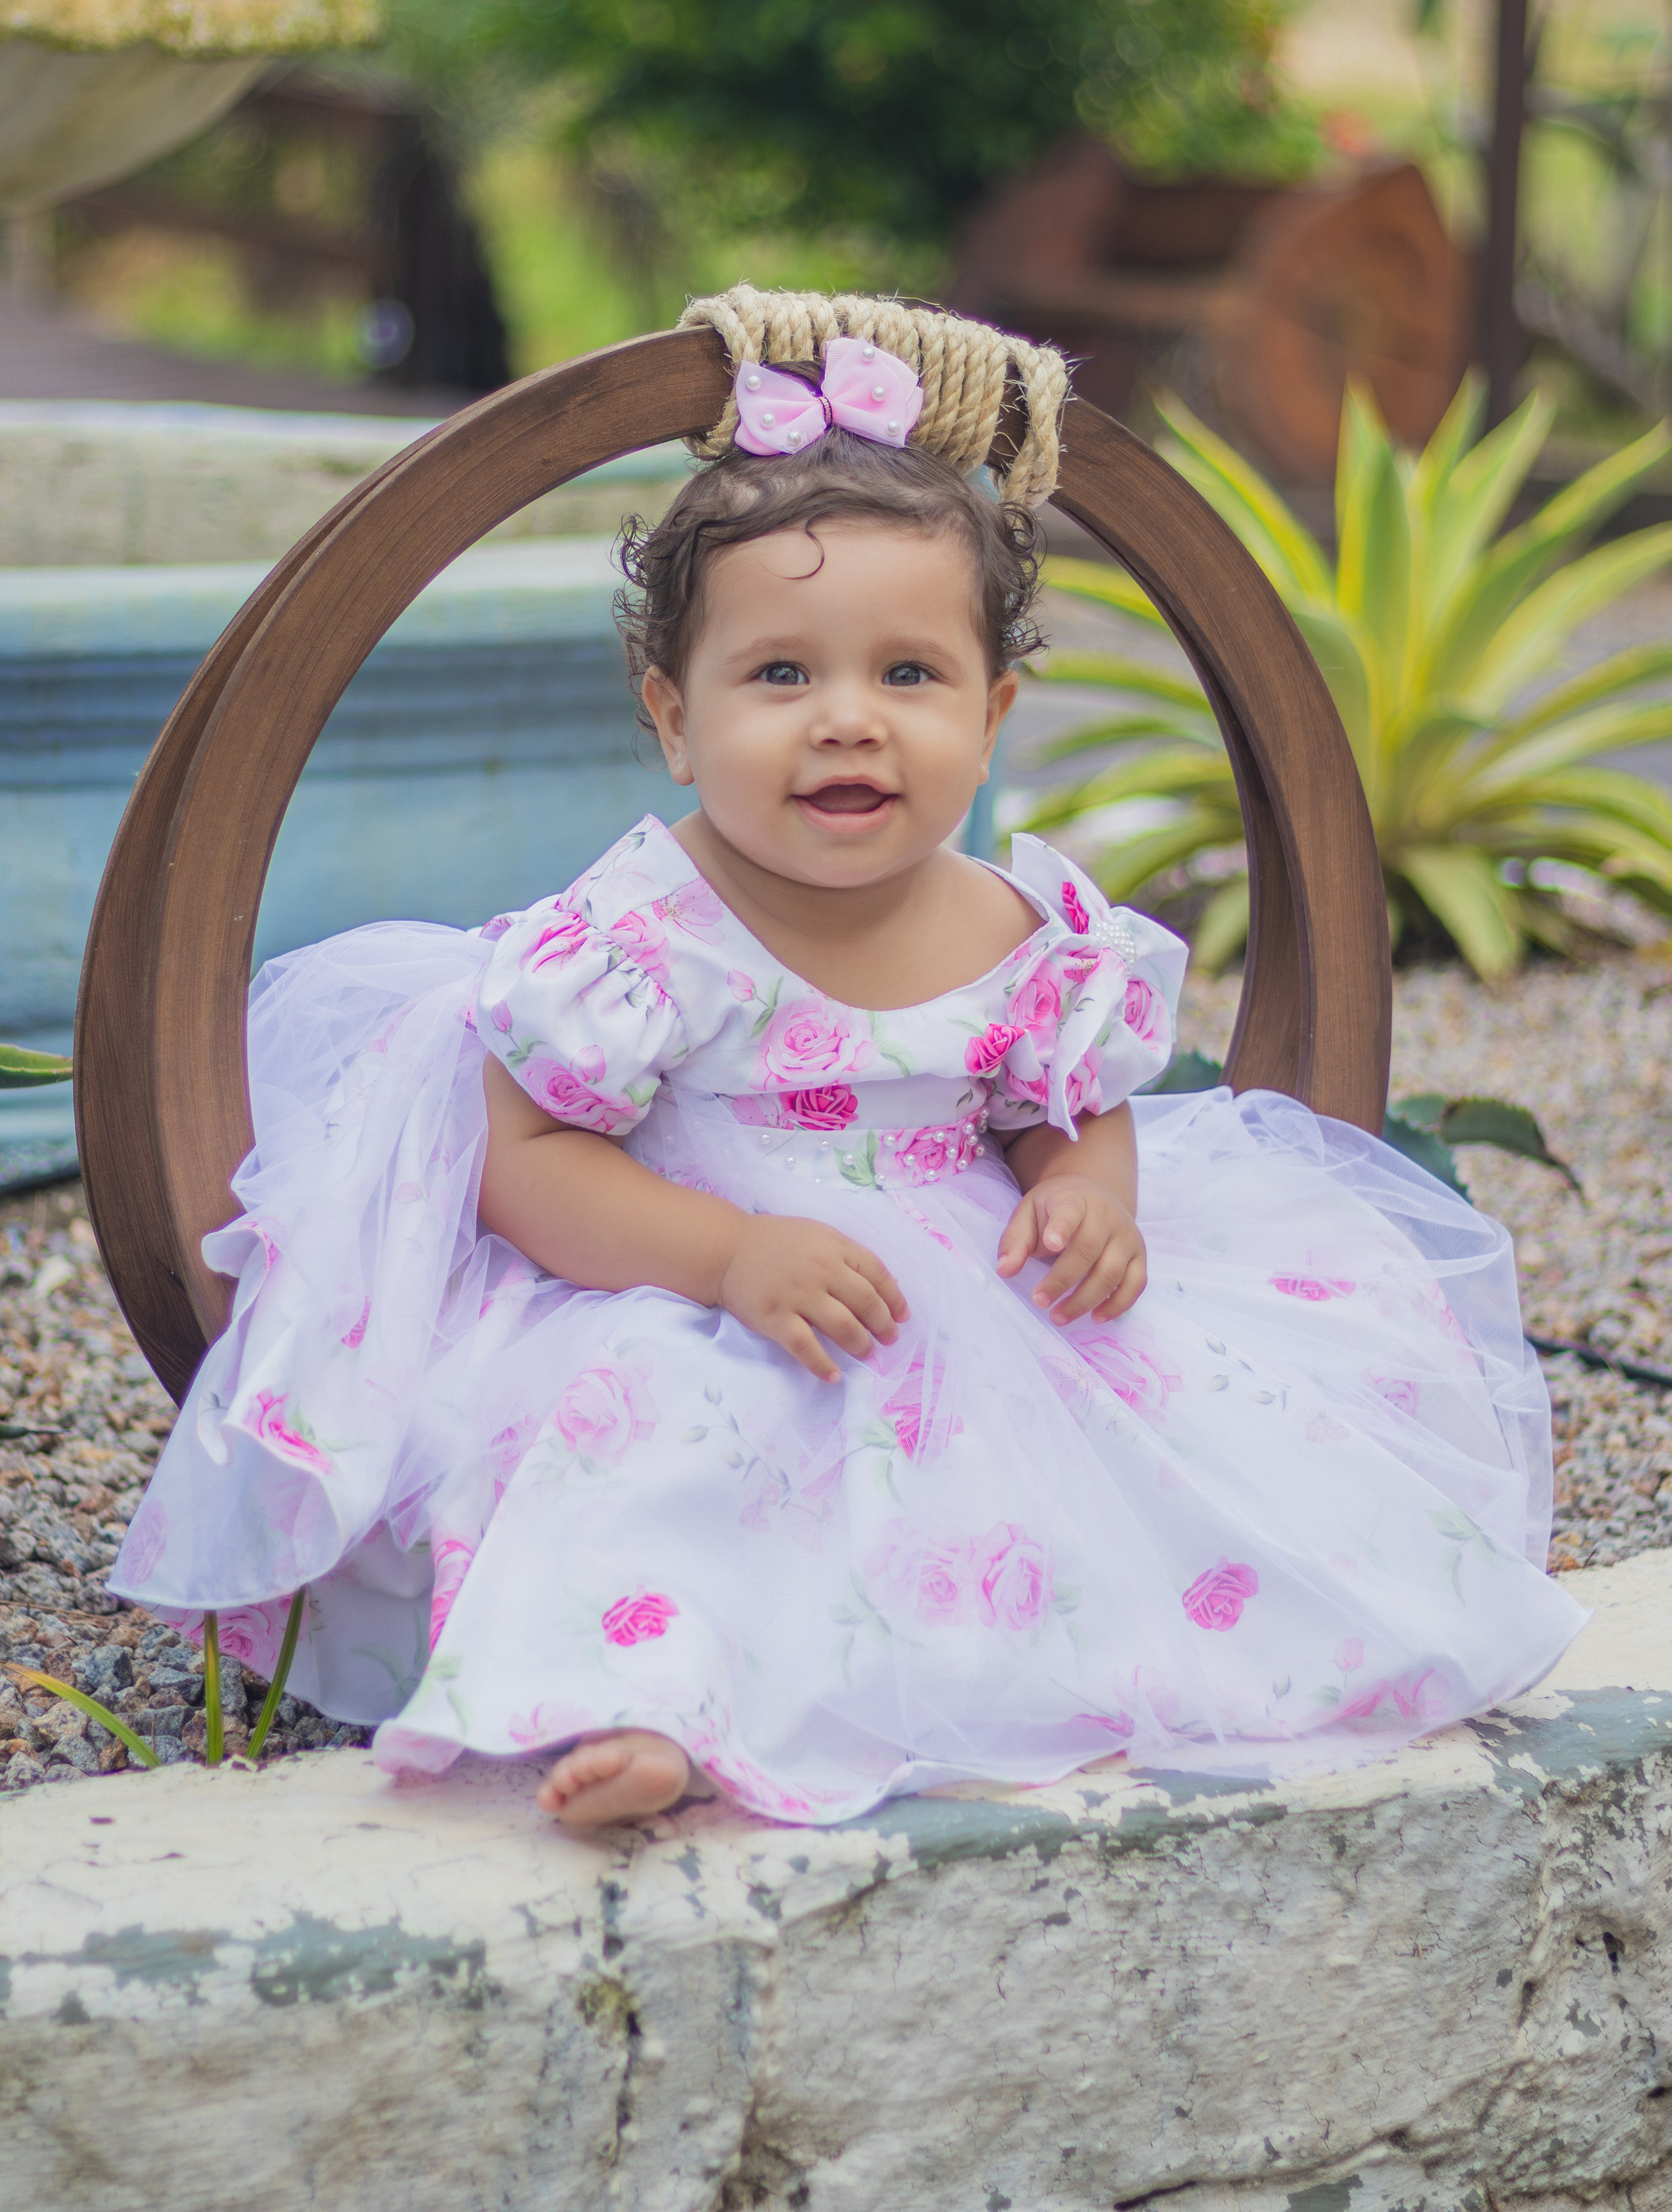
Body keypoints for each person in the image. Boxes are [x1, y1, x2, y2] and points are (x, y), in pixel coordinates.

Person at [108, 292, 1584, 1830]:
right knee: (666, 1450)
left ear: (993, 712)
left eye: (906, 676)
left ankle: (1117, 1660)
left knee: (1146, 1434)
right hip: (685, 1270)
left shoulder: (1029, 928)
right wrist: (729, 1256)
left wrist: (1088, 1195)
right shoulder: (640, 941)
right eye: (779, 679)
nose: (846, 725)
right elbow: (529, 1165)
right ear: (671, 719)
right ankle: (645, 1704)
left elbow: (1060, 1111)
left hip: (965, 1281)